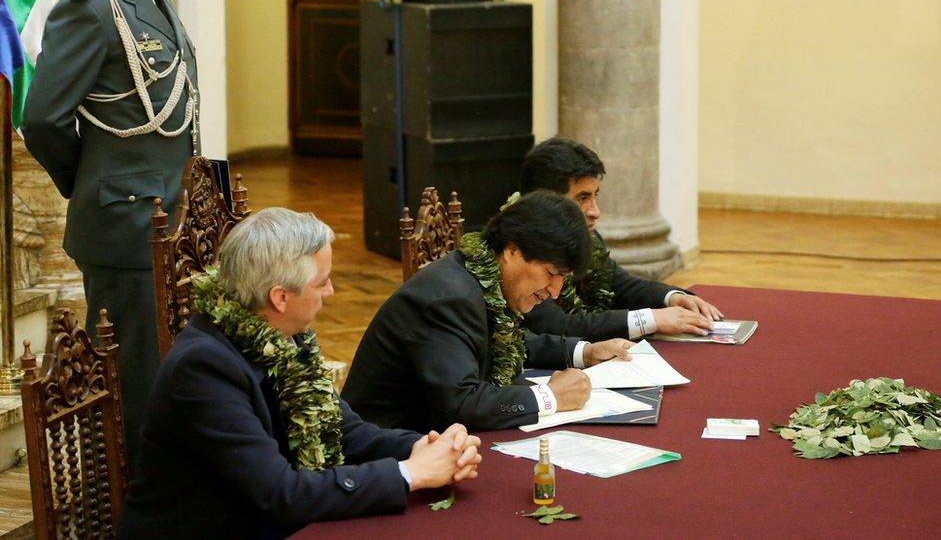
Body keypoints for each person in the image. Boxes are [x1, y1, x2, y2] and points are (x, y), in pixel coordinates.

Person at [117, 208, 482, 539]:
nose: (332, 291)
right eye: (322, 281)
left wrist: (422, 447)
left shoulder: (281, 336)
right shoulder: (202, 370)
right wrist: (409, 473)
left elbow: (344, 429)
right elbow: (282, 492)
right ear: (280, 297)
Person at [21, 0, 199, 465]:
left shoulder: (154, 1)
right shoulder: (91, 7)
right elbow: (41, 120)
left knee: (166, 376)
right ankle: (138, 506)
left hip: (169, 225)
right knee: (137, 387)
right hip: (127, 228)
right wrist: (91, 183)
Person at [343, 191, 634, 433]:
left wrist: (585, 352)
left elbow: (497, 341)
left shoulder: (483, 277)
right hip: (392, 452)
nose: (555, 291)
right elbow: (461, 404)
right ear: (511, 250)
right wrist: (549, 397)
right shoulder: (448, 299)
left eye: (563, 278)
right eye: (550, 273)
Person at [519, 137, 724, 342]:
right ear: (546, 199)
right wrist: (649, 319)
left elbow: (623, 286)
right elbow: (557, 326)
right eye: (582, 198)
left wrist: (674, 298)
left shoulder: (588, 239)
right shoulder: (519, 249)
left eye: (594, 196)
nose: (595, 212)